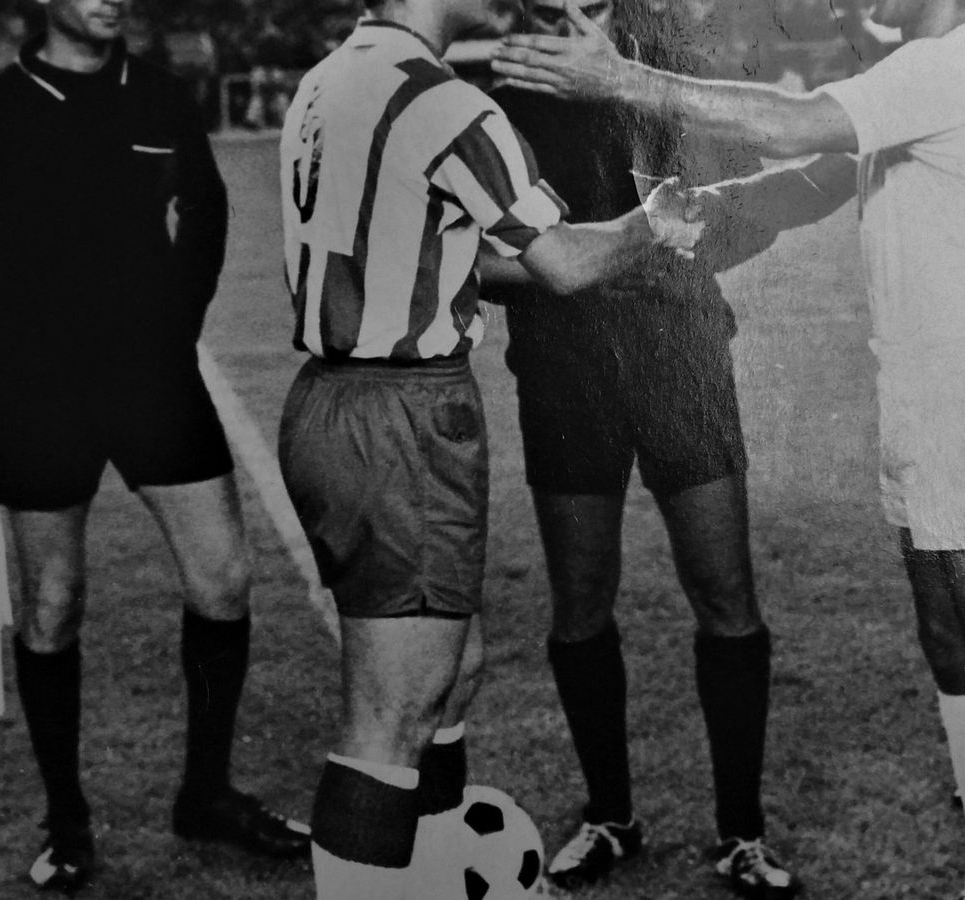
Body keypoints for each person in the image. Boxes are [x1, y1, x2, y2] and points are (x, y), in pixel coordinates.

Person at [494, 0, 965, 895]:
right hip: (934, 394)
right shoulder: (924, 73)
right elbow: (822, 176)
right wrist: (717, 202)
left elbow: (791, 124)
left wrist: (621, 79)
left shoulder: (951, 64)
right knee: (956, 654)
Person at [275, 1, 697, 896]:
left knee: (451, 672)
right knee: (388, 718)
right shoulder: (446, 102)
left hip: (328, 404)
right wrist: (655, 220)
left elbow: (443, 251)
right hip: (401, 416)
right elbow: (565, 265)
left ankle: (429, 878)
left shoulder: (329, 80)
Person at [0, 0, 308, 892]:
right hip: (39, 393)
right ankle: (68, 822)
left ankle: (206, 793)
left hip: (153, 382)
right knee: (53, 607)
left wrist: (174, 323)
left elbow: (205, 216)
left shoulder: (161, 97)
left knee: (223, 582)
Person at [483, 1, 823, 896]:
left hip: (683, 357)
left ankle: (742, 834)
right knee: (580, 599)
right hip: (562, 368)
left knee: (725, 591)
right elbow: (484, 252)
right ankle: (609, 816)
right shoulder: (507, 80)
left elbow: (750, 204)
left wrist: (686, 255)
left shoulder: (672, 55)